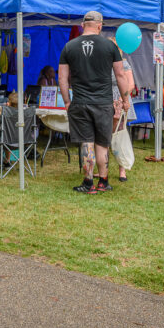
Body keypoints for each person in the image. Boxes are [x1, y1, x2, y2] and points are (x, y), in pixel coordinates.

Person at [58, 11, 131, 194]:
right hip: (103, 103)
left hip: (80, 102)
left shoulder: (69, 46)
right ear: (100, 25)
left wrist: (67, 101)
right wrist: (125, 99)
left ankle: (88, 183)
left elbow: (62, 78)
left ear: (83, 25)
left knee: (86, 142)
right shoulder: (110, 46)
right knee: (102, 143)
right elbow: (120, 75)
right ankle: (103, 182)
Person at [110, 39, 136, 182]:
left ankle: (122, 169)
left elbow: (130, 84)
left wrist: (121, 99)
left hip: (120, 98)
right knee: (105, 135)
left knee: (120, 133)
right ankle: (104, 168)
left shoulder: (124, 63)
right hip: (107, 100)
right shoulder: (104, 64)